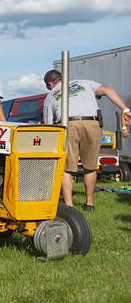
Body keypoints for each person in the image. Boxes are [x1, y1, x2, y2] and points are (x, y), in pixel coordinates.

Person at [42, 69, 131, 211]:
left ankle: (69, 206)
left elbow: (49, 125)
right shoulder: (84, 83)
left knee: (66, 169)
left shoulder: (50, 96)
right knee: (89, 167)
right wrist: (125, 109)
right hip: (92, 123)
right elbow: (108, 90)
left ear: (50, 84)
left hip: (67, 123)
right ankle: (89, 204)